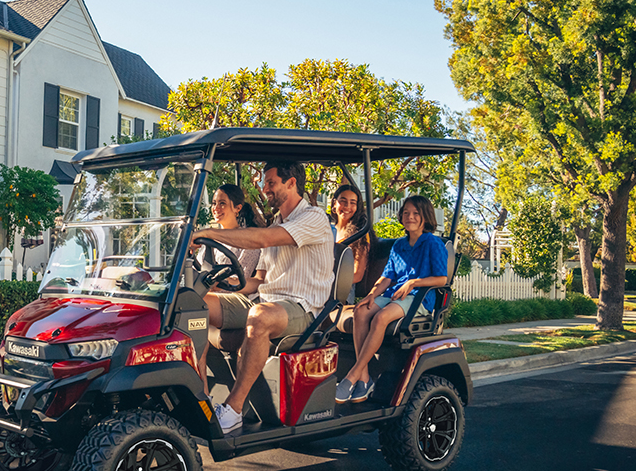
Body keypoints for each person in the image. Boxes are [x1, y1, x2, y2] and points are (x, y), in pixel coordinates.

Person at [192, 162, 334, 434]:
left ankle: (232, 410)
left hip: (303, 308)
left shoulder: (313, 218)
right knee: (192, 303)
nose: (263, 188)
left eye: (270, 182)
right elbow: (257, 281)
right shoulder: (278, 221)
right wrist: (219, 285)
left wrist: (209, 233)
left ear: (291, 183)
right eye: (264, 183)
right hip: (265, 300)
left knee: (259, 316)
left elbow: (263, 239)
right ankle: (203, 399)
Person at [339, 195, 449, 404]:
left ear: (425, 217)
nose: (410, 217)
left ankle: (354, 374)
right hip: (394, 295)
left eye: (416, 213)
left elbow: (442, 278)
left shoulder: (433, 243)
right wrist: (372, 295)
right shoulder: (399, 245)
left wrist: (413, 283)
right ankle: (364, 377)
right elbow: (387, 277)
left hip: (418, 299)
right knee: (361, 311)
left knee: (381, 318)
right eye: (406, 212)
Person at [201, 183, 262, 296]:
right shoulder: (209, 241)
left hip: (234, 297)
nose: (216, 208)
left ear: (237, 208)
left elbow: (242, 280)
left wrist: (216, 283)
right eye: (214, 203)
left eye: (222, 203)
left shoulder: (248, 241)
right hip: (207, 292)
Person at [329, 184, 370, 288]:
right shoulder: (327, 229)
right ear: (334, 203)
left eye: (353, 203)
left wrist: (326, 283)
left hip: (340, 290)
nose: (347, 206)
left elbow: (357, 275)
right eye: (343, 201)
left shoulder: (360, 234)